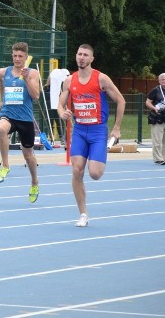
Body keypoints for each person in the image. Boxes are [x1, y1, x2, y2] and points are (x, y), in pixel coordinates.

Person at [57, 44, 125, 228]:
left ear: (91, 59)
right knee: (77, 170)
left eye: (85, 55)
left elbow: (121, 100)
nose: (81, 57)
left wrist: (116, 128)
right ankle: (83, 213)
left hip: (97, 131)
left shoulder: (101, 79)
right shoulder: (69, 81)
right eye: (79, 54)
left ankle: (100, 152)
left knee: (94, 174)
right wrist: (62, 113)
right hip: (79, 131)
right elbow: (60, 104)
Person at [0, 42, 42, 203]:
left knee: (28, 155)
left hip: (25, 119)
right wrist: (1, 100)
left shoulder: (33, 73)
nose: (17, 59)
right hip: (8, 114)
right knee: (1, 129)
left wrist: (27, 78)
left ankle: (34, 182)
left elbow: (36, 96)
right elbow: (0, 81)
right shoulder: (4, 72)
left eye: (20, 56)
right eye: (14, 55)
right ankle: (5, 166)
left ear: (26, 57)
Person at [45, 65, 70, 144]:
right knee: (50, 121)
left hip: (58, 107)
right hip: (49, 106)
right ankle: (50, 136)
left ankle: (62, 137)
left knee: (59, 121)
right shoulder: (48, 88)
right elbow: (45, 89)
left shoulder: (61, 86)